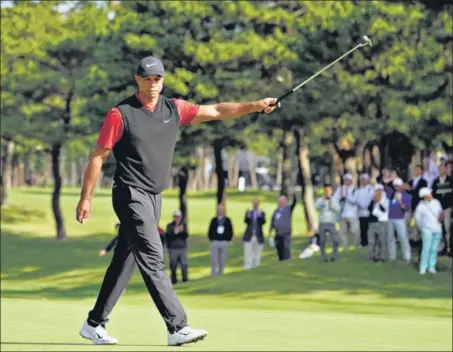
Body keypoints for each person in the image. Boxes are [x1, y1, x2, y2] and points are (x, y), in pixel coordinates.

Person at [75, 55, 278, 346]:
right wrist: (86, 198)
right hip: (129, 194)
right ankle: (176, 326)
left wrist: (256, 106)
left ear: (163, 80)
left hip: (153, 196)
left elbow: (218, 110)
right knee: (154, 257)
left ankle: (94, 323)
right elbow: (98, 156)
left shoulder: (175, 108)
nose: (153, 84)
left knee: (125, 260)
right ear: (137, 79)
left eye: (158, 79)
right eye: (147, 79)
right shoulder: (120, 115)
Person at [414, 188, 443, 275]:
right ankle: (423, 268)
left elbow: (441, 213)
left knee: (434, 249)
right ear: (424, 196)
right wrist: (421, 227)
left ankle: (431, 267)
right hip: (427, 230)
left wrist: (441, 218)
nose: (430, 195)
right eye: (428, 194)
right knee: (426, 249)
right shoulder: (421, 206)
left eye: (430, 193)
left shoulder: (437, 202)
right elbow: (417, 218)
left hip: (437, 229)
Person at [386, 178, 412, 263]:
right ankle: (392, 257)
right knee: (390, 238)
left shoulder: (406, 196)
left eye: (398, 186)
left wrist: (400, 201)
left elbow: (406, 208)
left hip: (399, 219)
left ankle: (407, 256)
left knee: (403, 237)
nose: (396, 187)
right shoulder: (392, 194)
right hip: (390, 218)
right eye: (395, 186)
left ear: (401, 186)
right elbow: (385, 186)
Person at [333, 173, 360, 250]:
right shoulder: (340, 189)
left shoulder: (355, 190)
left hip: (353, 214)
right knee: (342, 233)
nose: (346, 181)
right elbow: (335, 199)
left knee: (354, 231)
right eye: (345, 180)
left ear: (351, 180)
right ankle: (345, 248)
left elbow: (355, 201)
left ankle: (356, 246)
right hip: (342, 214)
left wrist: (345, 196)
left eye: (348, 180)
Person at [314, 184, 341, 262]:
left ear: (331, 191)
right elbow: (316, 207)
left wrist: (331, 205)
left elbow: (338, 210)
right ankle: (323, 256)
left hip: (331, 223)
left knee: (335, 240)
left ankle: (334, 255)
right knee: (322, 241)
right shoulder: (321, 199)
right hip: (322, 222)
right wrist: (322, 202)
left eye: (329, 190)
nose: (327, 192)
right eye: (326, 191)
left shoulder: (334, 200)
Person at [431, 163, 453, 256]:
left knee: (447, 228)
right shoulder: (435, 182)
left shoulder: (450, 181)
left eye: (443, 169)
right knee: (439, 228)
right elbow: (433, 195)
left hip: (447, 208)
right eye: (440, 169)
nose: (442, 170)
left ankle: (448, 247)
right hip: (438, 209)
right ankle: (440, 247)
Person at [268, 194, 297, 261]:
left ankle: (287, 260)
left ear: (285, 202)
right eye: (279, 202)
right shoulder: (276, 211)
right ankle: (281, 260)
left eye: (282, 201)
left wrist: (294, 196)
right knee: (279, 249)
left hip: (286, 233)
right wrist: (270, 232)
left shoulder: (288, 209)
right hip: (278, 234)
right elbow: (272, 222)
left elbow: (294, 204)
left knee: (286, 248)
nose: (280, 203)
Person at [208, 203, 234, 276]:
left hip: (224, 241)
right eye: (219, 209)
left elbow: (230, 231)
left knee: (222, 259)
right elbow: (210, 231)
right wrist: (212, 239)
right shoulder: (213, 220)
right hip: (215, 241)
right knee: (214, 259)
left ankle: (221, 272)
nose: (220, 211)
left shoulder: (227, 220)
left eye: (221, 209)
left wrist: (228, 239)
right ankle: (213, 273)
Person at [367, 184, 389, 263]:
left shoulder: (385, 200)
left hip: (381, 223)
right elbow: (369, 209)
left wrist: (379, 202)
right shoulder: (372, 200)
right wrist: (374, 201)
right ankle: (371, 257)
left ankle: (381, 258)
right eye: (377, 190)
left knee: (381, 241)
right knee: (371, 242)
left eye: (380, 190)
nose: (378, 192)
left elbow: (384, 210)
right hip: (372, 223)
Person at [165, 210, 189, 285]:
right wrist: (175, 231)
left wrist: (181, 231)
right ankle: (174, 280)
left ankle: (185, 279)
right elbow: (168, 236)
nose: (177, 218)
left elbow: (186, 235)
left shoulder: (183, 225)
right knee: (173, 265)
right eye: (176, 217)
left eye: (178, 217)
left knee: (184, 264)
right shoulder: (170, 226)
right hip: (173, 248)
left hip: (182, 248)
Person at [243, 199, 266, 270]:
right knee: (248, 253)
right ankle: (247, 268)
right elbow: (246, 221)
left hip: (258, 236)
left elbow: (263, 222)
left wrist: (259, 216)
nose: (255, 205)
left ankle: (256, 267)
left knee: (257, 254)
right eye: (254, 203)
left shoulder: (261, 213)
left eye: (256, 203)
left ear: (258, 204)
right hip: (249, 235)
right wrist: (248, 216)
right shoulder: (249, 212)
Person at [356, 173, 374, 247]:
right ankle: (364, 243)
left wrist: (362, 204)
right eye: (361, 180)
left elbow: (369, 200)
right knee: (362, 230)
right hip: (360, 213)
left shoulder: (371, 189)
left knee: (368, 229)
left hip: (368, 213)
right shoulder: (358, 190)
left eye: (364, 180)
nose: (363, 181)